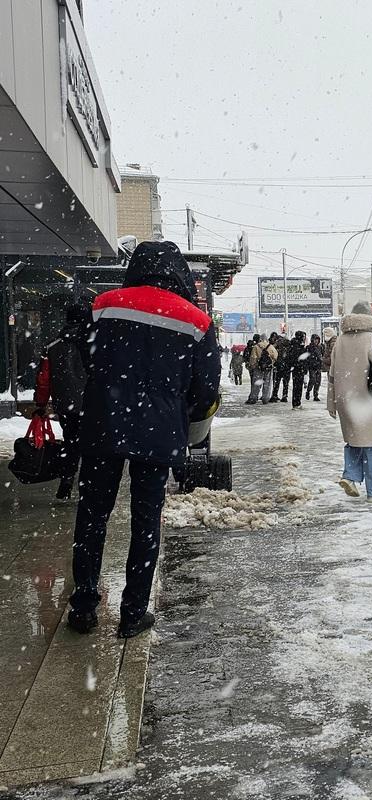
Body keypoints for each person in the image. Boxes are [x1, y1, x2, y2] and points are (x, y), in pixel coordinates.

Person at [67, 241, 221, 637]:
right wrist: (174, 407)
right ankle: (132, 612)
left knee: (92, 516)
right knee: (146, 520)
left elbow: (88, 357)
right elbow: (206, 390)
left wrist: (112, 387)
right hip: (158, 433)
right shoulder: (196, 321)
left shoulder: (104, 305)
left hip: (104, 424)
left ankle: (84, 607)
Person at [327, 301, 372, 502]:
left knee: (353, 439)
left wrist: (331, 402)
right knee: (369, 443)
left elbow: (331, 375)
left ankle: (350, 475)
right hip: (366, 398)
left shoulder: (340, 341)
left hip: (344, 398)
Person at [33, 302, 92, 500]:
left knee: (71, 442)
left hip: (66, 403)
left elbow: (44, 379)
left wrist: (41, 404)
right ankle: (88, 485)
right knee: (92, 445)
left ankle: (67, 480)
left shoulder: (53, 346)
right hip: (92, 404)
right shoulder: (94, 345)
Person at [245, 334, 277, 404]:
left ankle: (253, 397)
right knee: (267, 384)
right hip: (268, 368)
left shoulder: (256, 346)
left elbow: (253, 357)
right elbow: (275, 356)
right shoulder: (271, 346)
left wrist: (254, 365)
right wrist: (271, 362)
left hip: (258, 367)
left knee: (256, 383)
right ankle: (265, 398)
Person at [288, 330, 309, 408]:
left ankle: (296, 402)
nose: (304, 338)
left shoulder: (293, 345)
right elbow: (300, 359)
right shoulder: (298, 347)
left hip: (296, 369)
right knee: (298, 386)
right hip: (298, 368)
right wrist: (302, 366)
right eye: (303, 336)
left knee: (296, 386)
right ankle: (297, 403)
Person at [305, 332, 326, 401]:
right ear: (312, 340)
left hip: (318, 366)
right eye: (315, 339)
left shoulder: (321, 347)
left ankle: (315, 395)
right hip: (312, 366)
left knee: (318, 382)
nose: (316, 341)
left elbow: (323, 355)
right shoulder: (309, 347)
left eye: (317, 339)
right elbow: (307, 357)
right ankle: (308, 391)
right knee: (312, 380)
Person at [269, 332, 289, 403]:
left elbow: (274, 354)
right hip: (286, 365)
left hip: (278, 365)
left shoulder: (277, 345)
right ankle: (284, 396)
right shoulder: (287, 345)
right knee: (285, 382)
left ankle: (274, 395)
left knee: (276, 382)